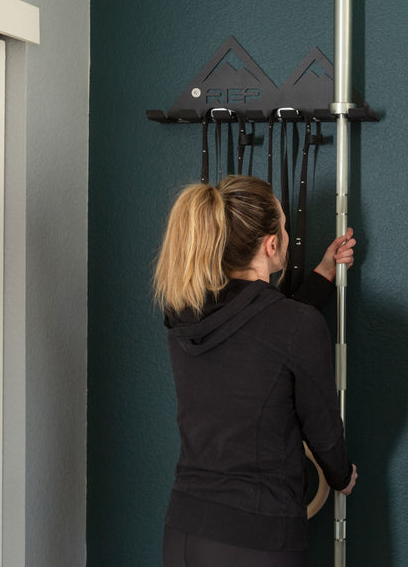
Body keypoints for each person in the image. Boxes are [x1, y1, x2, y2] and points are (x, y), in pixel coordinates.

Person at [153, 175, 358, 566]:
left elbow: (258, 329)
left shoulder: (184, 314)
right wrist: (340, 474)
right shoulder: (295, 326)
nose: (286, 232)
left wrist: (324, 272)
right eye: (283, 226)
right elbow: (324, 428)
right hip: (255, 541)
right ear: (272, 244)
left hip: (183, 531)